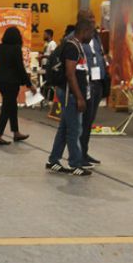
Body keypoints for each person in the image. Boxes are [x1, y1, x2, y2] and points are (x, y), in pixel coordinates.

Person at [46, 19, 94, 176]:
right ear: (85, 31)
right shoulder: (73, 47)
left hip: (70, 93)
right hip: (70, 94)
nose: (92, 36)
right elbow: (70, 74)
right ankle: (75, 164)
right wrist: (79, 97)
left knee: (64, 128)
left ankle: (53, 160)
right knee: (74, 129)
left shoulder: (76, 45)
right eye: (91, 33)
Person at [0, 27, 37, 145]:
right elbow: (20, 68)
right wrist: (29, 84)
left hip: (1, 80)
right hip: (11, 82)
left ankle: (16, 132)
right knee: (6, 109)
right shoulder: (16, 48)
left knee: (12, 107)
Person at [80, 12, 107, 168]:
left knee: (90, 120)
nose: (93, 23)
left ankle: (84, 151)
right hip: (85, 82)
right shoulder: (76, 37)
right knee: (82, 121)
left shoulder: (96, 37)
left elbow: (99, 56)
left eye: (93, 20)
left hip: (97, 82)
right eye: (90, 20)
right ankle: (78, 154)